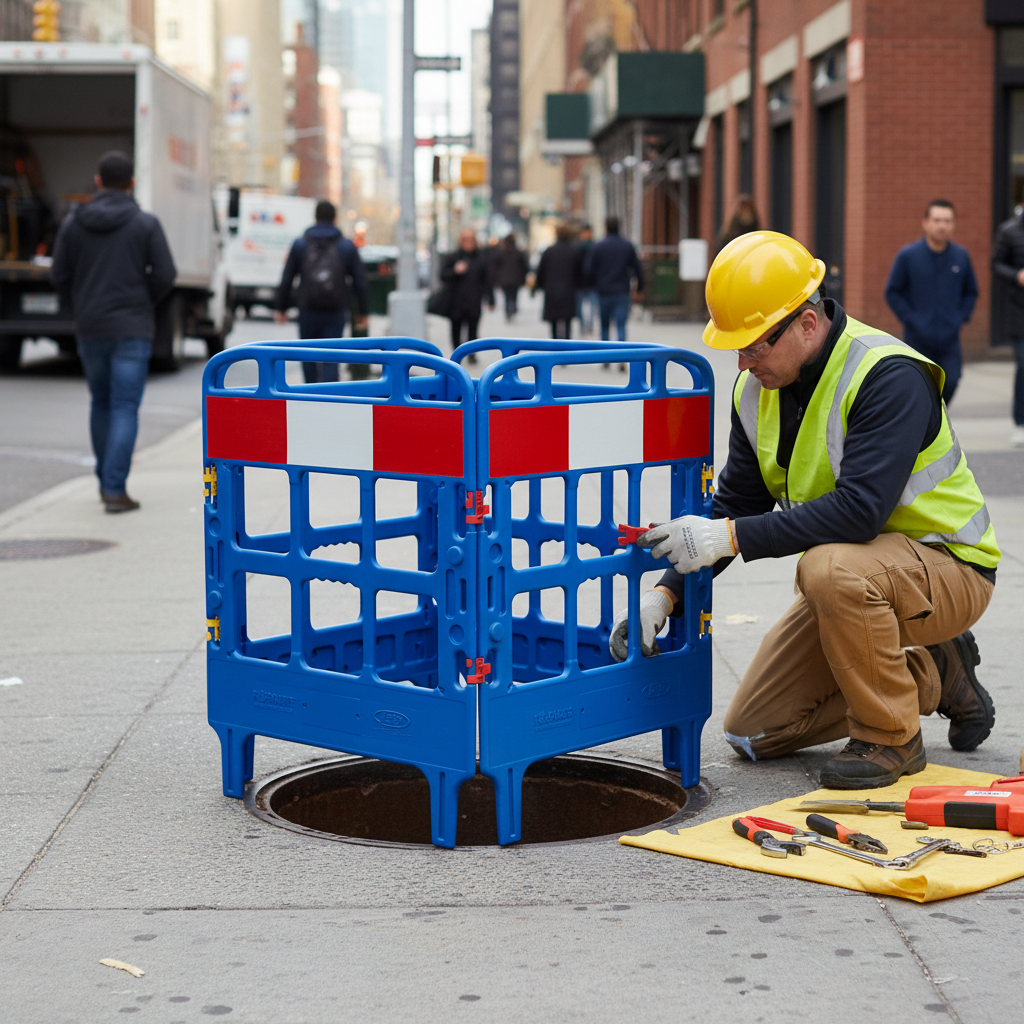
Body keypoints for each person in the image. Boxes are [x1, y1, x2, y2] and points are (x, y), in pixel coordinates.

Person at [610, 231, 1000, 790]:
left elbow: (860, 512)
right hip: (858, 581)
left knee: (825, 567)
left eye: (754, 346)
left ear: (807, 324)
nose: (742, 362)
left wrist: (730, 537)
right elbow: (739, 502)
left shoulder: (887, 376)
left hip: (949, 568)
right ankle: (938, 671)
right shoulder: (756, 389)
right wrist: (666, 591)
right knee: (754, 730)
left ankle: (892, 736)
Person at [50, 150, 176, 514]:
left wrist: (81, 303)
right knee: (124, 406)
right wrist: (141, 301)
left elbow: (58, 276)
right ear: (132, 184)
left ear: (98, 181)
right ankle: (114, 488)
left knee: (101, 402)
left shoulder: (74, 223)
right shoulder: (145, 223)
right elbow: (166, 274)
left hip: (91, 326)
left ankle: (106, 480)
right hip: (132, 327)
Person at [885, 199, 978, 405]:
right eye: (937, 220)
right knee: (918, 387)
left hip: (950, 339)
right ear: (925, 222)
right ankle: (928, 426)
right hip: (917, 339)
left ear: (953, 224)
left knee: (951, 381)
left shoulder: (961, 257)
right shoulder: (908, 256)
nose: (942, 225)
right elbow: (893, 292)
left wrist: (959, 318)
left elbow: (971, 291)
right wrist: (912, 319)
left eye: (947, 220)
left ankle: (934, 422)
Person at [275, 200, 369, 384]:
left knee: (307, 354)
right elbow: (360, 281)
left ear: (315, 217)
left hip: (307, 308)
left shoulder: (300, 244)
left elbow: (287, 278)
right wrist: (363, 312)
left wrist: (281, 308)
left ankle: (310, 395)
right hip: (335, 310)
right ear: (335, 218)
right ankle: (328, 399)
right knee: (331, 357)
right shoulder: (346, 246)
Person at [583, 216, 644, 343]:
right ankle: (621, 355)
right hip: (622, 291)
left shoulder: (597, 246)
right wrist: (639, 288)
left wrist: (592, 285)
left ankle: (606, 356)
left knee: (604, 326)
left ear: (605, 227)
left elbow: (588, 270)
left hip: (603, 291)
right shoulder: (627, 246)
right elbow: (637, 269)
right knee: (621, 325)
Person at [991, 207, 1024, 446]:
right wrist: (1016, 276)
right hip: (1019, 311)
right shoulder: (1009, 231)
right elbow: (996, 264)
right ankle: (1020, 422)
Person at [440, 228, 494, 356]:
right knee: (456, 330)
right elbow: (442, 276)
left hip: (474, 301)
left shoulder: (481, 258)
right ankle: (457, 354)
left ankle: (471, 354)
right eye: (465, 240)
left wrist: (491, 300)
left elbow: (487, 281)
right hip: (456, 302)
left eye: (471, 240)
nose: (468, 243)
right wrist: (455, 271)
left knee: (473, 331)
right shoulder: (453, 257)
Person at [533, 224, 581, 338]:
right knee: (567, 322)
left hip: (551, 291)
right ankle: (567, 345)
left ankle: (555, 345)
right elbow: (579, 272)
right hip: (569, 290)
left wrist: (538, 286)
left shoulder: (549, 251)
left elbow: (541, 271)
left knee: (553, 322)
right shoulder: (573, 251)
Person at [490, 233, 528, 321]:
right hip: (516, 279)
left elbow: (495, 266)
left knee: (507, 296)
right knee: (514, 295)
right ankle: (513, 308)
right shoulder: (518, 252)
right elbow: (524, 266)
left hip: (504, 279)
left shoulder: (501, 253)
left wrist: (497, 277)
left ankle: (508, 311)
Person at [574, 223, 597, 333]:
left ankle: (590, 325)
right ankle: (583, 326)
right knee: (579, 307)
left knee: (592, 306)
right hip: (580, 282)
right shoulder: (577, 247)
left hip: (591, 282)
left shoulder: (594, 246)